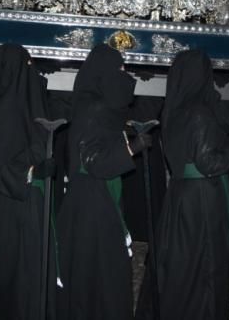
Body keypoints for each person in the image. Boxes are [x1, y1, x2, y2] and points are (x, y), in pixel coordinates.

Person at [141, 50, 229, 320]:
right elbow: (209, 163)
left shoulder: (173, 111)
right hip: (202, 200)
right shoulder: (198, 113)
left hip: (180, 197)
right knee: (204, 269)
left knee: (182, 266)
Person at [56, 44, 150, 320]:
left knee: (99, 271)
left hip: (97, 199)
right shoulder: (93, 109)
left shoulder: (100, 107)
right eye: (119, 69)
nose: (124, 75)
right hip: (91, 204)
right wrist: (132, 148)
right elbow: (94, 161)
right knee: (99, 271)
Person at [0, 43, 55, 320]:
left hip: (15, 198)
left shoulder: (4, 100)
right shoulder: (11, 105)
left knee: (19, 266)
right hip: (18, 199)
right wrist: (34, 169)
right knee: (19, 267)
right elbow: (2, 164)